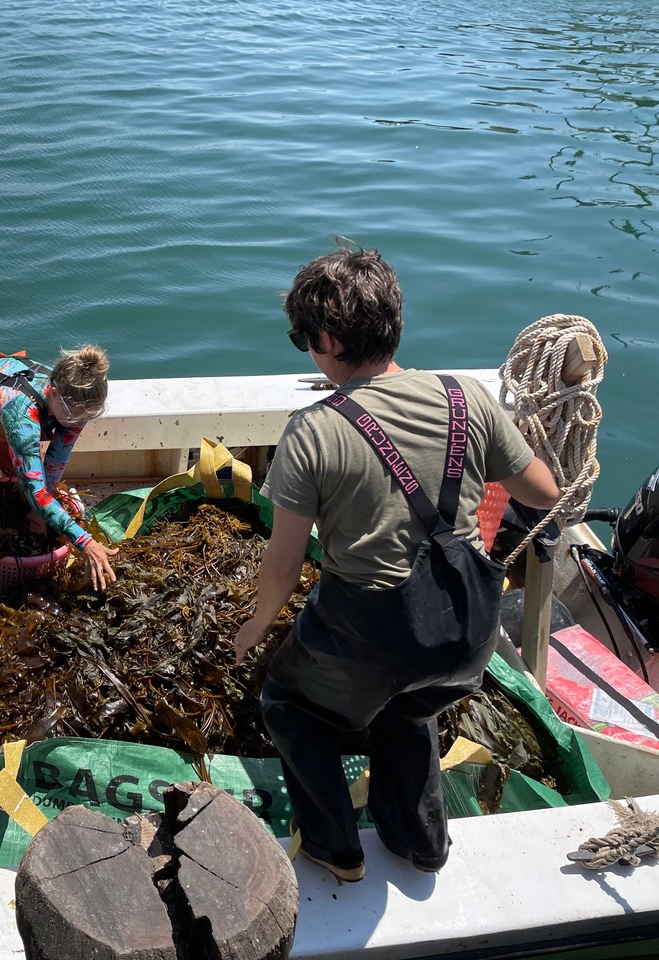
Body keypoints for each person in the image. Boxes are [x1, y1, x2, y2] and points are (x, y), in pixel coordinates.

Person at [232, 245, 560, 883]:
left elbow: (283, 567)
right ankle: (421, 845)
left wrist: (254, 633)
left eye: (302, 338)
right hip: (467, 633)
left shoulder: (313, 431)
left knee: (288, 704)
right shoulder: (467, 398)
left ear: (326, 339)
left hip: (372, 636)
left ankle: (336, 848)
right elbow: (544, 493)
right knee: (411, 710)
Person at [0, 346, 119, 590]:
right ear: (53, 392)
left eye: (87, 416)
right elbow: (36, 493)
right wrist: (84, 541)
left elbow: (55, 461)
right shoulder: (21, 415)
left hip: (5, 415)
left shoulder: (76, 401)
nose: (78, 423)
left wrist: (37, 513)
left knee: (21, 485)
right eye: (74, 417)